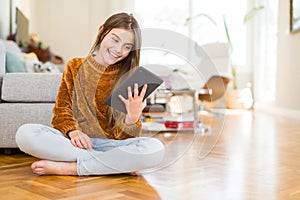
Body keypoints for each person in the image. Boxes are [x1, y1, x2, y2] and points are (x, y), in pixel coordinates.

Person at [15, 12, 165, 176]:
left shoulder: (129, 77)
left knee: (155, 149)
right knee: (25, 134)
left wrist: (133, 117)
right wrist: (74, 131)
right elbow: (61, 110)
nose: (118, 50)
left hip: (111, 145)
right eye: (115, 39)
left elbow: (123, 137)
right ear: (102, 32)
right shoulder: (75, 66)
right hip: (74, 143)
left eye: (127, 46)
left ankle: (73, 168)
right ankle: (114, 164)